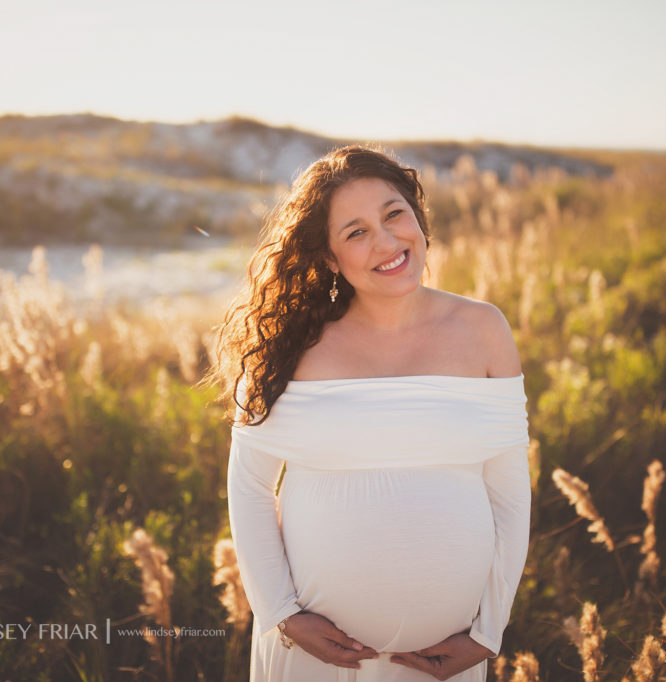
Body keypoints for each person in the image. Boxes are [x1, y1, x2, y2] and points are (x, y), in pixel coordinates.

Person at [210, 144, 531, 681]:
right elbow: (248, 486)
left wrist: (489, 629)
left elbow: (509, 489)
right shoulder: (294, 347)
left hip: (443, 663)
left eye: (393, 215)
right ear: (331, 258)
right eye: (356, 232)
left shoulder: (483, 330)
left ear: (419, 220)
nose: (386, 242)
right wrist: (282, 613)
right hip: (314, 660)